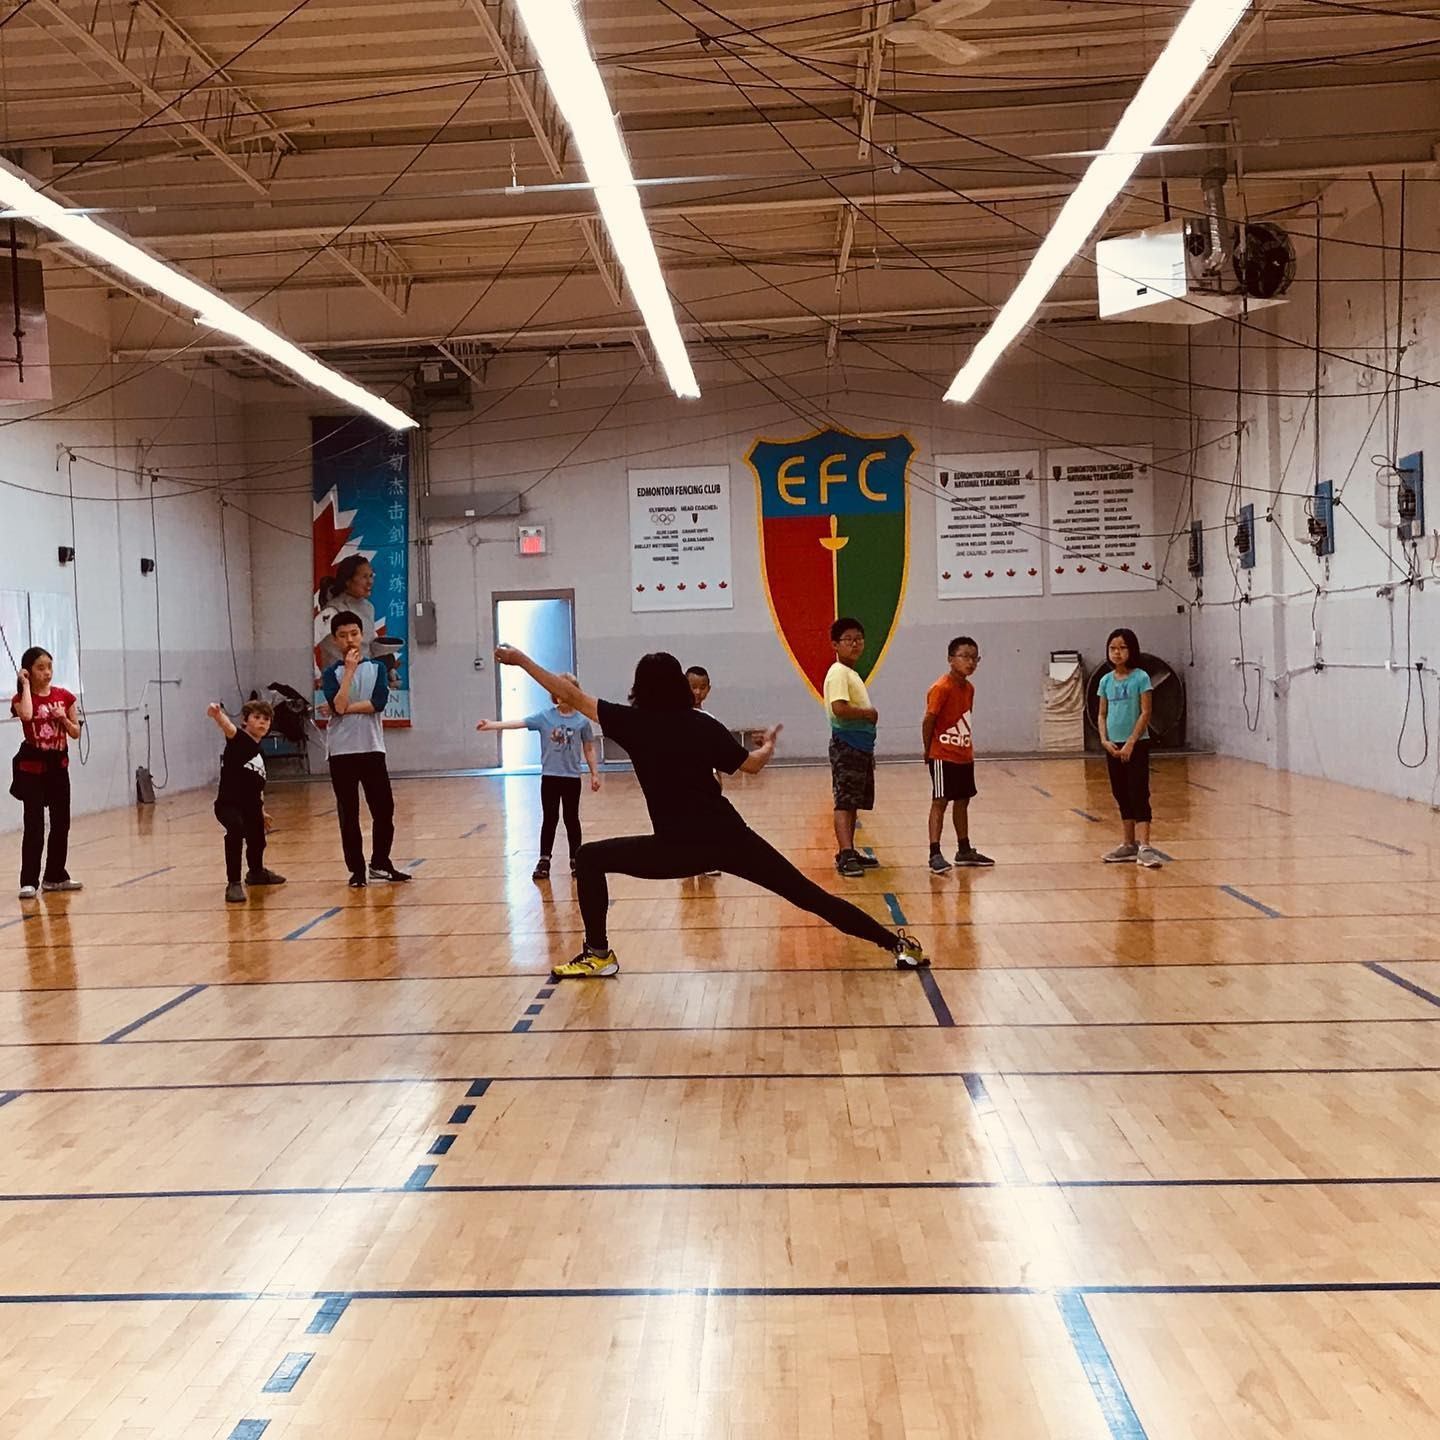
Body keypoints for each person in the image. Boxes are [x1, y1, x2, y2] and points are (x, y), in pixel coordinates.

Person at [493, 645, 928, 979]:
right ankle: (897, 945)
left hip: (675, 849)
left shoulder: (631, 723)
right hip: (729, 839)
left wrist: (520, 660)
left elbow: (569, 693)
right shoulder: (702, 725)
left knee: (590, 859)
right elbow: (750, 767)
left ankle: (598, 954)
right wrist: (767, 747)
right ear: (680, 686)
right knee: (808, 895)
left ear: (639, 687)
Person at [475, 675, 601, 881]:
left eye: (566, 691)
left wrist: (594, 773)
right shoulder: (545, 717)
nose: (562, 696)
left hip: (571, 778)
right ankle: (544, 860)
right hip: (550, 777)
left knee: (571, 819)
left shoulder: (581, 721)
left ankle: (575, 859)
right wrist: (492, 725)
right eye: (558, 691)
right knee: (550, 818)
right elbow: (519, 723)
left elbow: (588, 748)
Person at [321, 611, 410, 888]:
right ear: (335, 640)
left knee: (383, 809)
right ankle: (357, 870)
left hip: (372, 748)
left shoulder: (378, 668)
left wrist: (343, 708)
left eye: (354, 634)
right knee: (349, 813)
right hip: (341, 752)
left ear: (362, 635)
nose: (349, 640)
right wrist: (348, 673)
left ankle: (380, 863)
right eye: (343, 635)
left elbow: (378, 703)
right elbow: (337, 704)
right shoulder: (331, 673)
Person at [9, 647, 82, 899]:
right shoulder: (20, 699)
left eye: (49, 667)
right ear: (28, 671)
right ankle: (29, 880)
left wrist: (63, 719)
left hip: (58, 768)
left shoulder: (65, 697)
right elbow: (27, 715)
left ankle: (55, 876)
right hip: (32, 770)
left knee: (61, 823)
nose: (47, 672)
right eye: (40, 668)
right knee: (34, 825)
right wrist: (24, 685)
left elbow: (75, 732)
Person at [922, 636, 994, 872]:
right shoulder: (941, 688)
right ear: (951, 659)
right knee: (940, 801)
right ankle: (934, 853)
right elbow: (929, 720)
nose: (970, 662)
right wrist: (928, 750)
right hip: (943, 754)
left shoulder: (969, 688)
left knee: (962, 801)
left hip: (964, 754)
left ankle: (964, 849)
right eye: (964, 657)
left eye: (974, 658)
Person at [207, 699, 286, 904]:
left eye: (266, 719)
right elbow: (228, 727)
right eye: (256, 717)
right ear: (245, 720)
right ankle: (233, 883)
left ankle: (256, 873)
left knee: (257, 837)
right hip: (229, 805)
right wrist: (218, 715)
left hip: (251, 806)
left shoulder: (260, 752)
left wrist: (261, 810)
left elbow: (257, 786)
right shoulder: (239, 739)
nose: (262, 722)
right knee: (236, 829)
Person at [1097, 627, 1163, 869]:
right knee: (1121, 792)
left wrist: (1131, 742)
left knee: (1138, 792)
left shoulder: (1141, 678)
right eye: (1113, 648)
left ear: (1132, 650)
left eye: (1122, 648)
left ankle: (1145, 846)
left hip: (1136, 744)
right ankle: (1128, 844)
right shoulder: (1105, 680)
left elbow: (1146, 712)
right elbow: (1102, 713)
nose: (1117, 652)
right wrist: (1104, 740)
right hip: (1113, 746)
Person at [824, 617, 882, 877]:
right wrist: (868, 713)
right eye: (848, 639)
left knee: (854, 800)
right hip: (847, 744)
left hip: (860, 746)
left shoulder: (851, 673)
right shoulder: (838, 672)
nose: (855, 644)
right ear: (835, 645)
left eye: (858, 639)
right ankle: (845, 854)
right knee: (844, 800)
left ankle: (849, 849)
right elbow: (839, 708)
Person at [315, 555, 401, 673]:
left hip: (365, 678)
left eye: (371, 576)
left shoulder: (368, 607)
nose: (370, 582)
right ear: (348, 581)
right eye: (364, 577)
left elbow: (368, 646)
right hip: (339, 679)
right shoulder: (333, 611)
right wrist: (317, 676)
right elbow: (308, 642)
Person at [686, 664, 722, 877]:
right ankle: (688, 863)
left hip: (705, 779)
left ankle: (707, 861)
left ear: (709, 689)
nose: (697, 692)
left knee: (708, 820)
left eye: (702, 687)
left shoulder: (709, 719)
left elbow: (715, 754)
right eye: (692, 687)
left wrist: (717, 776)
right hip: (683, 780)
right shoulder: (673, 717)